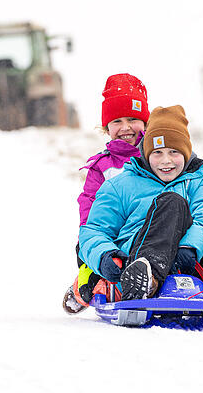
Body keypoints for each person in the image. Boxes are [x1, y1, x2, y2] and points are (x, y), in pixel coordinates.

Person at [79, 105, 203, 304]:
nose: (166, 161)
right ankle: (146, 281)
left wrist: (190, 246)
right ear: (145, 154)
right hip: (136, 264)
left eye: (174, 152)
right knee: (172, 202)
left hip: (192, 264)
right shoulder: (121, 185)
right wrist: (104, 256)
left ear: (187, 153)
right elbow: (93, 230)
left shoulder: (198, 180)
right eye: (157, 153)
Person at [63, 73, 150, 314]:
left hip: (147, 234)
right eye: (117, 121)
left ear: (145, 122)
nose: (125, 128)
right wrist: (90, 238)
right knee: (88, 248)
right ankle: (87, 281)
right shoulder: (102, 167)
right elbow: (88, 206)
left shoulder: (158, 160)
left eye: (133, 119)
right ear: (106, 127)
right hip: (110, 236)